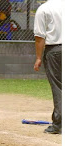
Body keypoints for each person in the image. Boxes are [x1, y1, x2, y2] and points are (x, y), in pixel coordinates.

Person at [33, 0, 62, 134]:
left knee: (58, 86)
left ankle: (59, 124)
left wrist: (39, 57)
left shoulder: (44, 9)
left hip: (55, 50)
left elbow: (39, 37)